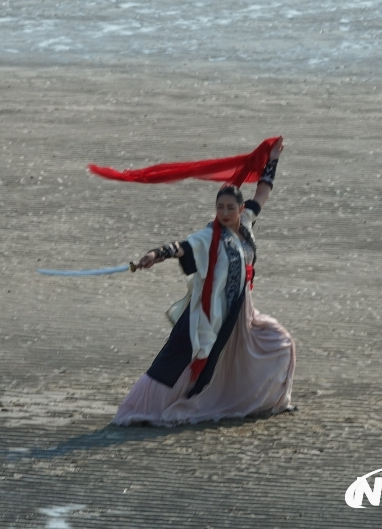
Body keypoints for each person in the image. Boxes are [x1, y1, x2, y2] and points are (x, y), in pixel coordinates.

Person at [111, 139, 296, 426]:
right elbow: (180, 246)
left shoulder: (246, 224)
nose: (224, 213)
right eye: (219, 207)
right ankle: (143, 408)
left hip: (242, 309)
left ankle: (267, 400)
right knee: (181, 353)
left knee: (279, 342)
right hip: (214, 310)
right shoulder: (209, 237)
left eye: (229, 208)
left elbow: (263, 191)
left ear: (239, 208)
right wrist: (153, 255)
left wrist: (272, 160)